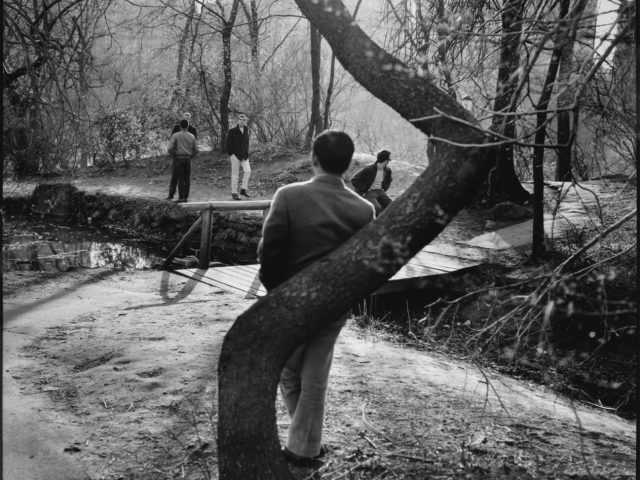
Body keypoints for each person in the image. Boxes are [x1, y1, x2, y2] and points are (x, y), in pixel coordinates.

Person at [258, 130, 375, 468]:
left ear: (313, 158)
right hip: (334, 307)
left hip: (290, 301)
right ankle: (307, 442)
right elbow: (363, 266)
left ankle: (302, 450)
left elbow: (270, 255)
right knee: (313, 378)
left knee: (289, 373)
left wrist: (278, 296)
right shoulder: (363, 209)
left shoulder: (288, 196)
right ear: (350, 165)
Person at [350, 149, 393, 214]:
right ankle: (375, 221)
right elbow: (354, 179)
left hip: (380, 191)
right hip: (370, 191)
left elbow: (389, 180)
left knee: (391, 205)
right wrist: (364, 189)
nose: (388, 162)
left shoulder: (387, 170)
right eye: (388, 160)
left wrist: (384, 188)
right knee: (377, 208)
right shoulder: (369, 169)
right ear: (385, 160)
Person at [167, 113, 197, 200]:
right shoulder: (176, 128)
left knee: (182, 177)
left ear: (190, 119)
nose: (187, 118)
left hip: (183, 157)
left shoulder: (193, 130)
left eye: (188, 117)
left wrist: (190, 156)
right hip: (180, 157)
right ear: (182, 119)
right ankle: (172, 194)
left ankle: (182, 197)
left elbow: (170, 147)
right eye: (185, 117)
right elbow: (171, 141)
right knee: (176, 177)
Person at [225, 113, 251, 200]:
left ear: (246, 121)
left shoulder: (247, 130)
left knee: (248, 171)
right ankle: (234, 193)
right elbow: (228, 143)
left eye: (244, 120)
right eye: (241, 120)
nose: (243, 121)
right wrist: (231, 154)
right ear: (238, 121)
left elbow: (246, 143)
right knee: (235, 174)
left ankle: (243, 189)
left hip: (244, 155)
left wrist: (246, 153)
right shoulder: (232, 131)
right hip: (235, 155)